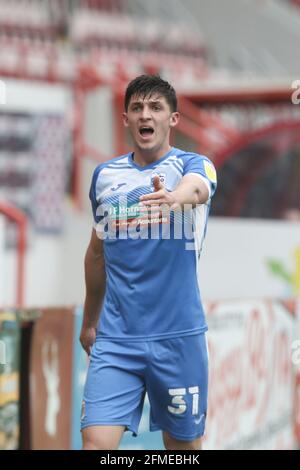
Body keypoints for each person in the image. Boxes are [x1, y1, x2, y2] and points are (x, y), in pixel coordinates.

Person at [79, 74, 217, 450]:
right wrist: (90, 320)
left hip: (178, 338)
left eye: (156, 107)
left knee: (183, 450)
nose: (146, 115)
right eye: (138, 107)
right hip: (116, 339)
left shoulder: (194, 166)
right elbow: (96, 253)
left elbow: (198, 189)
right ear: (126, 118)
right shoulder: (105, 177)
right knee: (95, 445)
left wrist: (174, 199)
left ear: (173, 119)